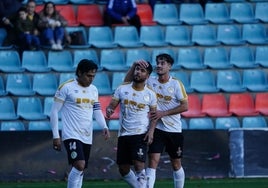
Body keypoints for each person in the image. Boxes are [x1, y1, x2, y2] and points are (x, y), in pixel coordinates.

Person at [124, 54, 188, 188]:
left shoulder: (176, 84)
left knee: (176, 164)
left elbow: (185, 106)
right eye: (158, 63)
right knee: (152, 162)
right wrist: (134, 65)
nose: (159, 65)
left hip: (174, 129)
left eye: (163, 63)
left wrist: (163, 113)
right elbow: (127, 83)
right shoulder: (150, 81)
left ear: (169, 66)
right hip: (157, 128)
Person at [50, 59, 111, 188]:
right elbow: (54, 111)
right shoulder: (66, 87)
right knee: (79, 164)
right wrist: (56, 135)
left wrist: (104, 126)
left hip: (87, 135)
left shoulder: (94, 90)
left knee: (80, 169)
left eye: (93, 76)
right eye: (89, 76)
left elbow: (97, 111)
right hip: (71, 134)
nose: (91, 79)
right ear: (79, 72)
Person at [106, 61, 157, 188]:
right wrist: (109, 109)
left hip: (140, 134)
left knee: (139, 165)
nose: (138, 72)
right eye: (137, 69)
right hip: (123, 134)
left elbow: (154, 116)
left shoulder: (150, 94)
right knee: (123, 169)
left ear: (148, 76)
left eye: (142, 71)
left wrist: (151, 132)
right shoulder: (122, 89)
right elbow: (112, 104)